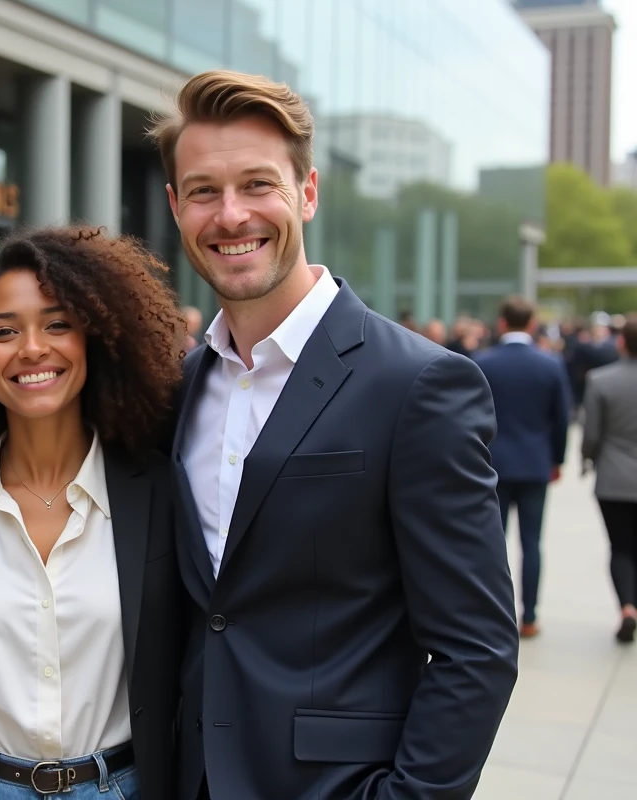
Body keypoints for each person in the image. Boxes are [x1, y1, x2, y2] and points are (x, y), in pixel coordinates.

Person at [150, 70, 519, 799]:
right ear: (174, 206)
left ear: (307, 193)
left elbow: (477, 647)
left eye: (259, 185)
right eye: (203, 191)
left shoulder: (419, 385)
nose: (230, 215)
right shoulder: (180, 386)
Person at [0, 227, 187, 799]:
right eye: (4, 332)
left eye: (57, 324)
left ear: (92, 340)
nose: (32, 348)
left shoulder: (159, 492)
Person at [473, 296, 572, 638]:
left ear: (501, 324)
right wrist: (557, 459)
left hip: (491, 464)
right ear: (532, 324)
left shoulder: (483, 362)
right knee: (532, 542)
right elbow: (561, 419)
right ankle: (529, 616)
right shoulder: (550, 364)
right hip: (534, 464)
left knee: (491, 544)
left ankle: (491, 617)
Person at [581, 313, 637, 643]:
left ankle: (627, 606)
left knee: (621, 547)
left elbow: (591, 435)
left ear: (621, 342)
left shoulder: (601, 380)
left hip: (614, 478)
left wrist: (587, 458)